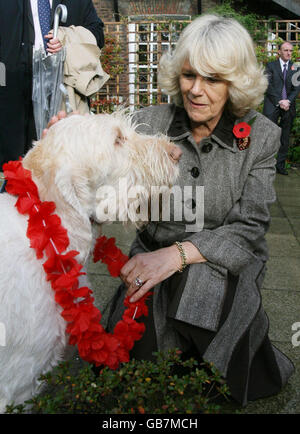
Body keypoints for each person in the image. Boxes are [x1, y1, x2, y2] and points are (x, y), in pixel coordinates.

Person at [106, 15, 295, 406]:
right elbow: (105, 182)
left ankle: (245, 344)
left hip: (225, 264)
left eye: (212, 79)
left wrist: (174, 257)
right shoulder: (149, 123)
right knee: (128, 367)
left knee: (200, 301)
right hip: (151, 257)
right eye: (190, 75)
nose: (196, 90)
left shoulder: (261, 136)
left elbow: (249, 228)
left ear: (235, 83)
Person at [0, 0, 104, 172]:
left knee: (55, 168)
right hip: (10, 97)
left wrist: (67, 39)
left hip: (60, 93)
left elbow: (97, 33)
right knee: (11, 172)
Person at [263, 42, 300, 175]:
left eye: (290, 51)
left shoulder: (295, 67)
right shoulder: (270, 66)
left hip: (288, 106)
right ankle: (265, 165)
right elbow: (268, 85)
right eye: (285, 50)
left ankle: (280, 166)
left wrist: (288, 100)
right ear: (279, 52)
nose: (289, 53)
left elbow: (297, 88)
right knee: (268, 136)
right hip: (273, 104)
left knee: (284, 137)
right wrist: (280, 100)